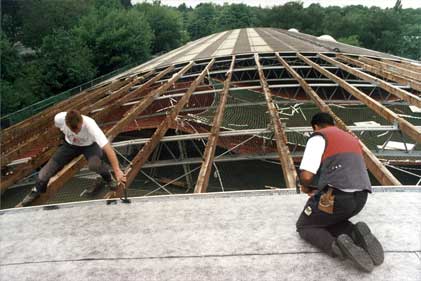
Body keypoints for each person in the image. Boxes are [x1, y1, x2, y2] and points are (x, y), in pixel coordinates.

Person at [296, 112, 384, 273]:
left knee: (305, 225)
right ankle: (355, 233)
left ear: (315, 127)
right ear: (333, 124)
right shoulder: (350, 137)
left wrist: (306, 187)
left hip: (338, 199)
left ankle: (337, 248)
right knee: (329, 219)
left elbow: (307, 175)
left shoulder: (318, 137)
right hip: (361, 199)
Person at [22, 110, 126, 206]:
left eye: (78, 129)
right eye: (72, 129)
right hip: (70, 145)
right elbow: (57, 129)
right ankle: (37, 190)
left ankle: (108, 178)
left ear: (82, 122)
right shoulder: (59, 119)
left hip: (89, 146)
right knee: (44, 174)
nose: (76, 132)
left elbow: (108, 148)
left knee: (95, 165)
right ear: (66, 123)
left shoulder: (90, 125)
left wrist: (117, 170)